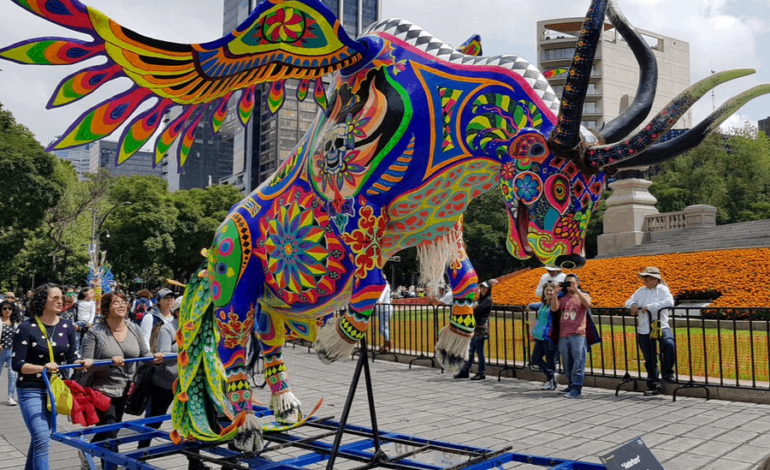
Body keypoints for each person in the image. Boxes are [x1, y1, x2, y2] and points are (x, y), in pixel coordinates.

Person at [12, 283, 91, 470]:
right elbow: (17, 364)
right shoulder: (26, 327)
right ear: (42, 300)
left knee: (40, 439)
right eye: (54, 297)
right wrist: (42, 367)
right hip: (30, 388)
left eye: (61, 297)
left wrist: (80, 362)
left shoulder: (67, 326)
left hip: (55, 388)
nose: (60, 300)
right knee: (41, 438)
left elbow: (71, 355)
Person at [80, 291, 162, 468]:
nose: (122, 305)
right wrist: (109, 363)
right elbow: (86, 364)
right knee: (110, 434)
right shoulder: (94, 333)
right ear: (106, 308)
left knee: (112, 429)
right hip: (101, 390)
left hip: (126, 389)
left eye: (124, 302)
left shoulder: (133, 327)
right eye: (116, 302)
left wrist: (153, 358)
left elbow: (144, 352)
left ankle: (87, 447)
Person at [625, 266, 676, 396]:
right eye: (644, 277)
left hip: (660, 325)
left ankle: (667, 373)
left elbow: (669, 302)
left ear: (655, 279)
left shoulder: (663, 290)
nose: (644, 279)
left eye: (647, 277)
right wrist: (633, 305)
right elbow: (628, 301)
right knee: (649, 357)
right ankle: (653, 383)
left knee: (668, 344)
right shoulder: (640, 291)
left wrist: (649, 307)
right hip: (644, 327)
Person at [550, 274, 591, 398]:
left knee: (578, 362)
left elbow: (588, 304)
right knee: (567, 362)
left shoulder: (583, 295)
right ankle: (571, 384)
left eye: (572, 283)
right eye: (567, 283)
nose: (569, 286)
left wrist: (577, 291)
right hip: (563, 335)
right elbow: (554, 308)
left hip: (577, 334)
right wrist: (555, 294)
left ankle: (576, 387)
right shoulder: (562, 298)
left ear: (578, 283)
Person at [454, 280, 495, 381]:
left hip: (480, 328)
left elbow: (473, 309)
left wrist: (473, 307)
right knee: (471, 350)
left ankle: (481, 372)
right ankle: (465, 371)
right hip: (475, 328)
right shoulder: (481, 299)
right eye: (482, 287)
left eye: (485, 288)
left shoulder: (487, 300)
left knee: (479, 351)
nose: (483, 289)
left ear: (489, 289)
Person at [528, 281, 559, 390]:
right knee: (535, 358)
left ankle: (551, 382)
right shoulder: (543, 304)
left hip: (549, 335)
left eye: (551, 290)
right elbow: (535, 306)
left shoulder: (554, 304)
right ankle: (551, 375)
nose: (549, 292)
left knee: (550, 359)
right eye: (547, 290)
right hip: (540, 335)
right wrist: (530, 306)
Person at [0, 300, 22, 405]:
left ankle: (10, 397)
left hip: (13, 351)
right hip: (1, 351)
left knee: (12, 374)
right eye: (4, 308)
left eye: (9, 308)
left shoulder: (15, 323)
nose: (7, 311)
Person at [375, 279, 393, 352]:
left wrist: (380, 301)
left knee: (383, 327)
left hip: (386, 309)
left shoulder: (386, 285)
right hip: (380, 309)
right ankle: (386, 343)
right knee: (383, 328)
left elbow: (382, 293)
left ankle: (388, 343)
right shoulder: (377, 286)